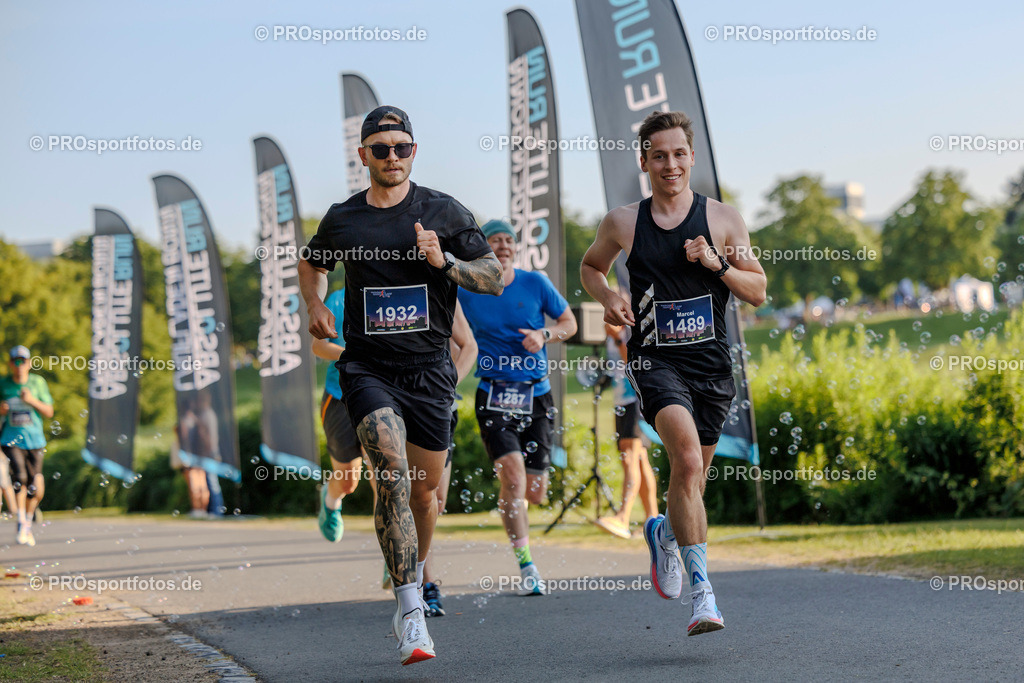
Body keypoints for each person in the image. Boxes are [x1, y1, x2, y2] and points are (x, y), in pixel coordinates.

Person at [298, 105, 502, 665]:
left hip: (430, 371)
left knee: (425, 494)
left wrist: (445, 262)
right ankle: (411, 609)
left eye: (402, 147)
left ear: (414, 151)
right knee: (389, 474)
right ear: (363, 155)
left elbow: (492, 277)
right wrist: (315, 304)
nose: (392, 156)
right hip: (369, 368)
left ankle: (410, 575)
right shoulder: (344, 218)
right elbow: (312, 263)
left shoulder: (444, 211)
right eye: (381, 148)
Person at [580, 110, 766, 636]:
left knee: (693, 479)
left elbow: (757, 290)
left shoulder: (722, 219)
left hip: (712, 366)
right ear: (644, 162)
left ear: (691, 157)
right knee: (684, 459)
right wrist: (608, 296)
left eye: (679, 153)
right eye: (658, 155)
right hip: (654, 361)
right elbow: (591, 267)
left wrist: (717, 264)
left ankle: (663, 534)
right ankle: (703, 594)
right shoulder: (623, 222)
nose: (670, 164)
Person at [458, 219, 577, 596]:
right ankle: (527, 566)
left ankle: (512, 500)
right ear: (484, 248)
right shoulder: (467, 290)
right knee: (513, 478)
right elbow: (450, 332)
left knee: (535, 491)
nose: (504, 245)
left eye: (509, 240)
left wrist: (544, 334)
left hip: (537, 394)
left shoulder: (535, 282)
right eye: (495, 240)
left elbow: (569, 323)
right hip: (493, 394)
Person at [421, 300, 477, 617]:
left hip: (440, 405)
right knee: (420, 496)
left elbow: (468, 345)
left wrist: (447, 383)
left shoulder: (443, 288)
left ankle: (404, 550)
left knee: (437, 500)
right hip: (398, 401)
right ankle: (426, 584)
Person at [593, 320, 659, 539]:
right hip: (622, 400)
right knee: (639, 458)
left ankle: (623, 517)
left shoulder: (631, 328)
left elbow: (634, 364)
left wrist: (618, 338)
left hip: (636, 399)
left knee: (630, 456)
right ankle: (653, 521)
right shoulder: (615, 331)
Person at [0, 345, 55, 547]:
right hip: (10, 439)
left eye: (22, 361)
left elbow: (49, 411)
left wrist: (31, 400)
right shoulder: (3, 384)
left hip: (35, 441)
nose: (19, 365)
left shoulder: (37, 383)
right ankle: (21, 520)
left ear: (29, 363)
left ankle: (27, 524)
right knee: (20, 477)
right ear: (10, 364)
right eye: (15, 361)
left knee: (36, 488)